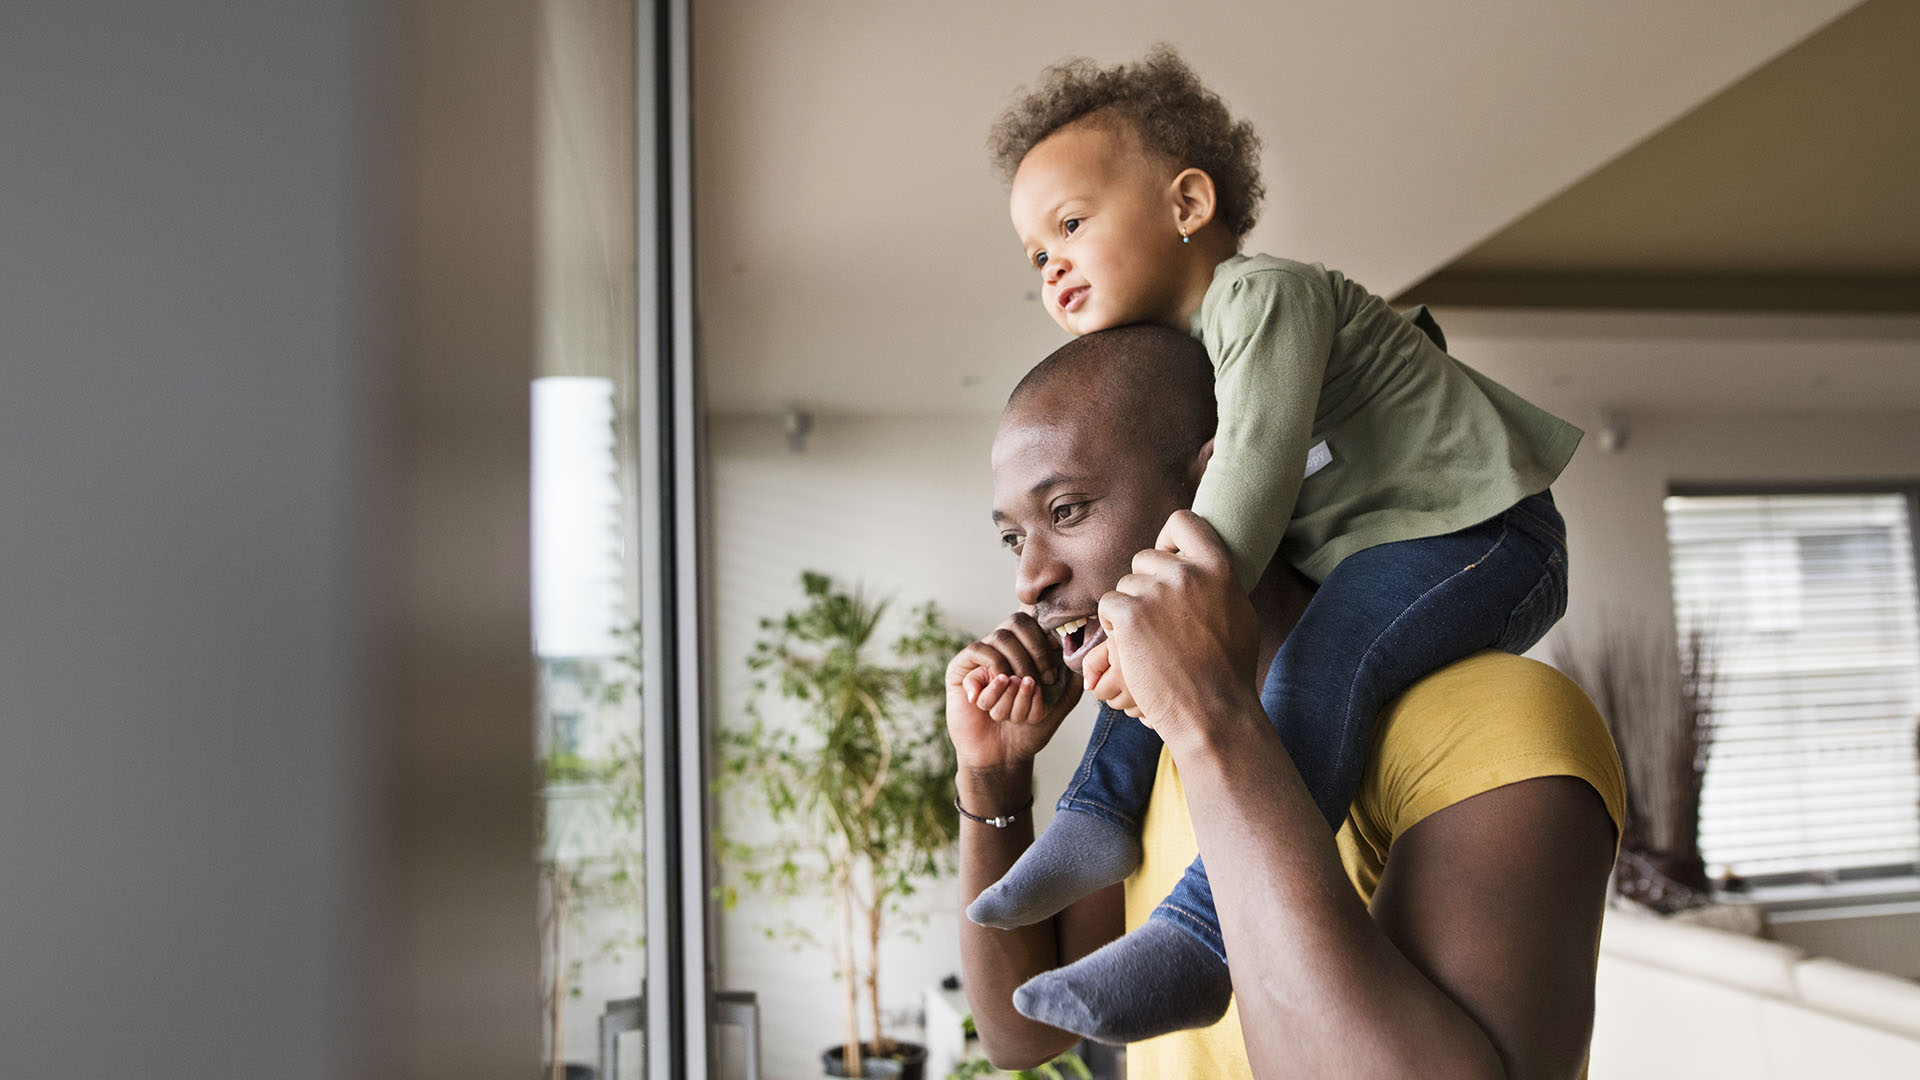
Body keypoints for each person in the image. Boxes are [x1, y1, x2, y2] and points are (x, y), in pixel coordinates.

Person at [965, 47, 1586, 1042]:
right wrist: (1000, 785)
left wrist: (1153, 626)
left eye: (1071, 225)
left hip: (1479, 537)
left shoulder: (1261, 298)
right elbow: (1019, 1043)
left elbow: (1249, 480)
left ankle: (1201, 940)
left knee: (1292, 654)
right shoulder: (1205, 356)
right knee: (1157, 629)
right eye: (1037, 255)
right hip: (1386, 550)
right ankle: (1094, 814)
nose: (1053, 263)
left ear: (1188, 202)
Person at [949, 325, 1623, 1076]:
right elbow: (1022, 1038)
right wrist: (993, 779)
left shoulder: (1498, 722)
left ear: (1218, 486)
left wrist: (1212, 724)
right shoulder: (1159, 745)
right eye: (1014, 538)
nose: (1028, 580)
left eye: (1067, 510)